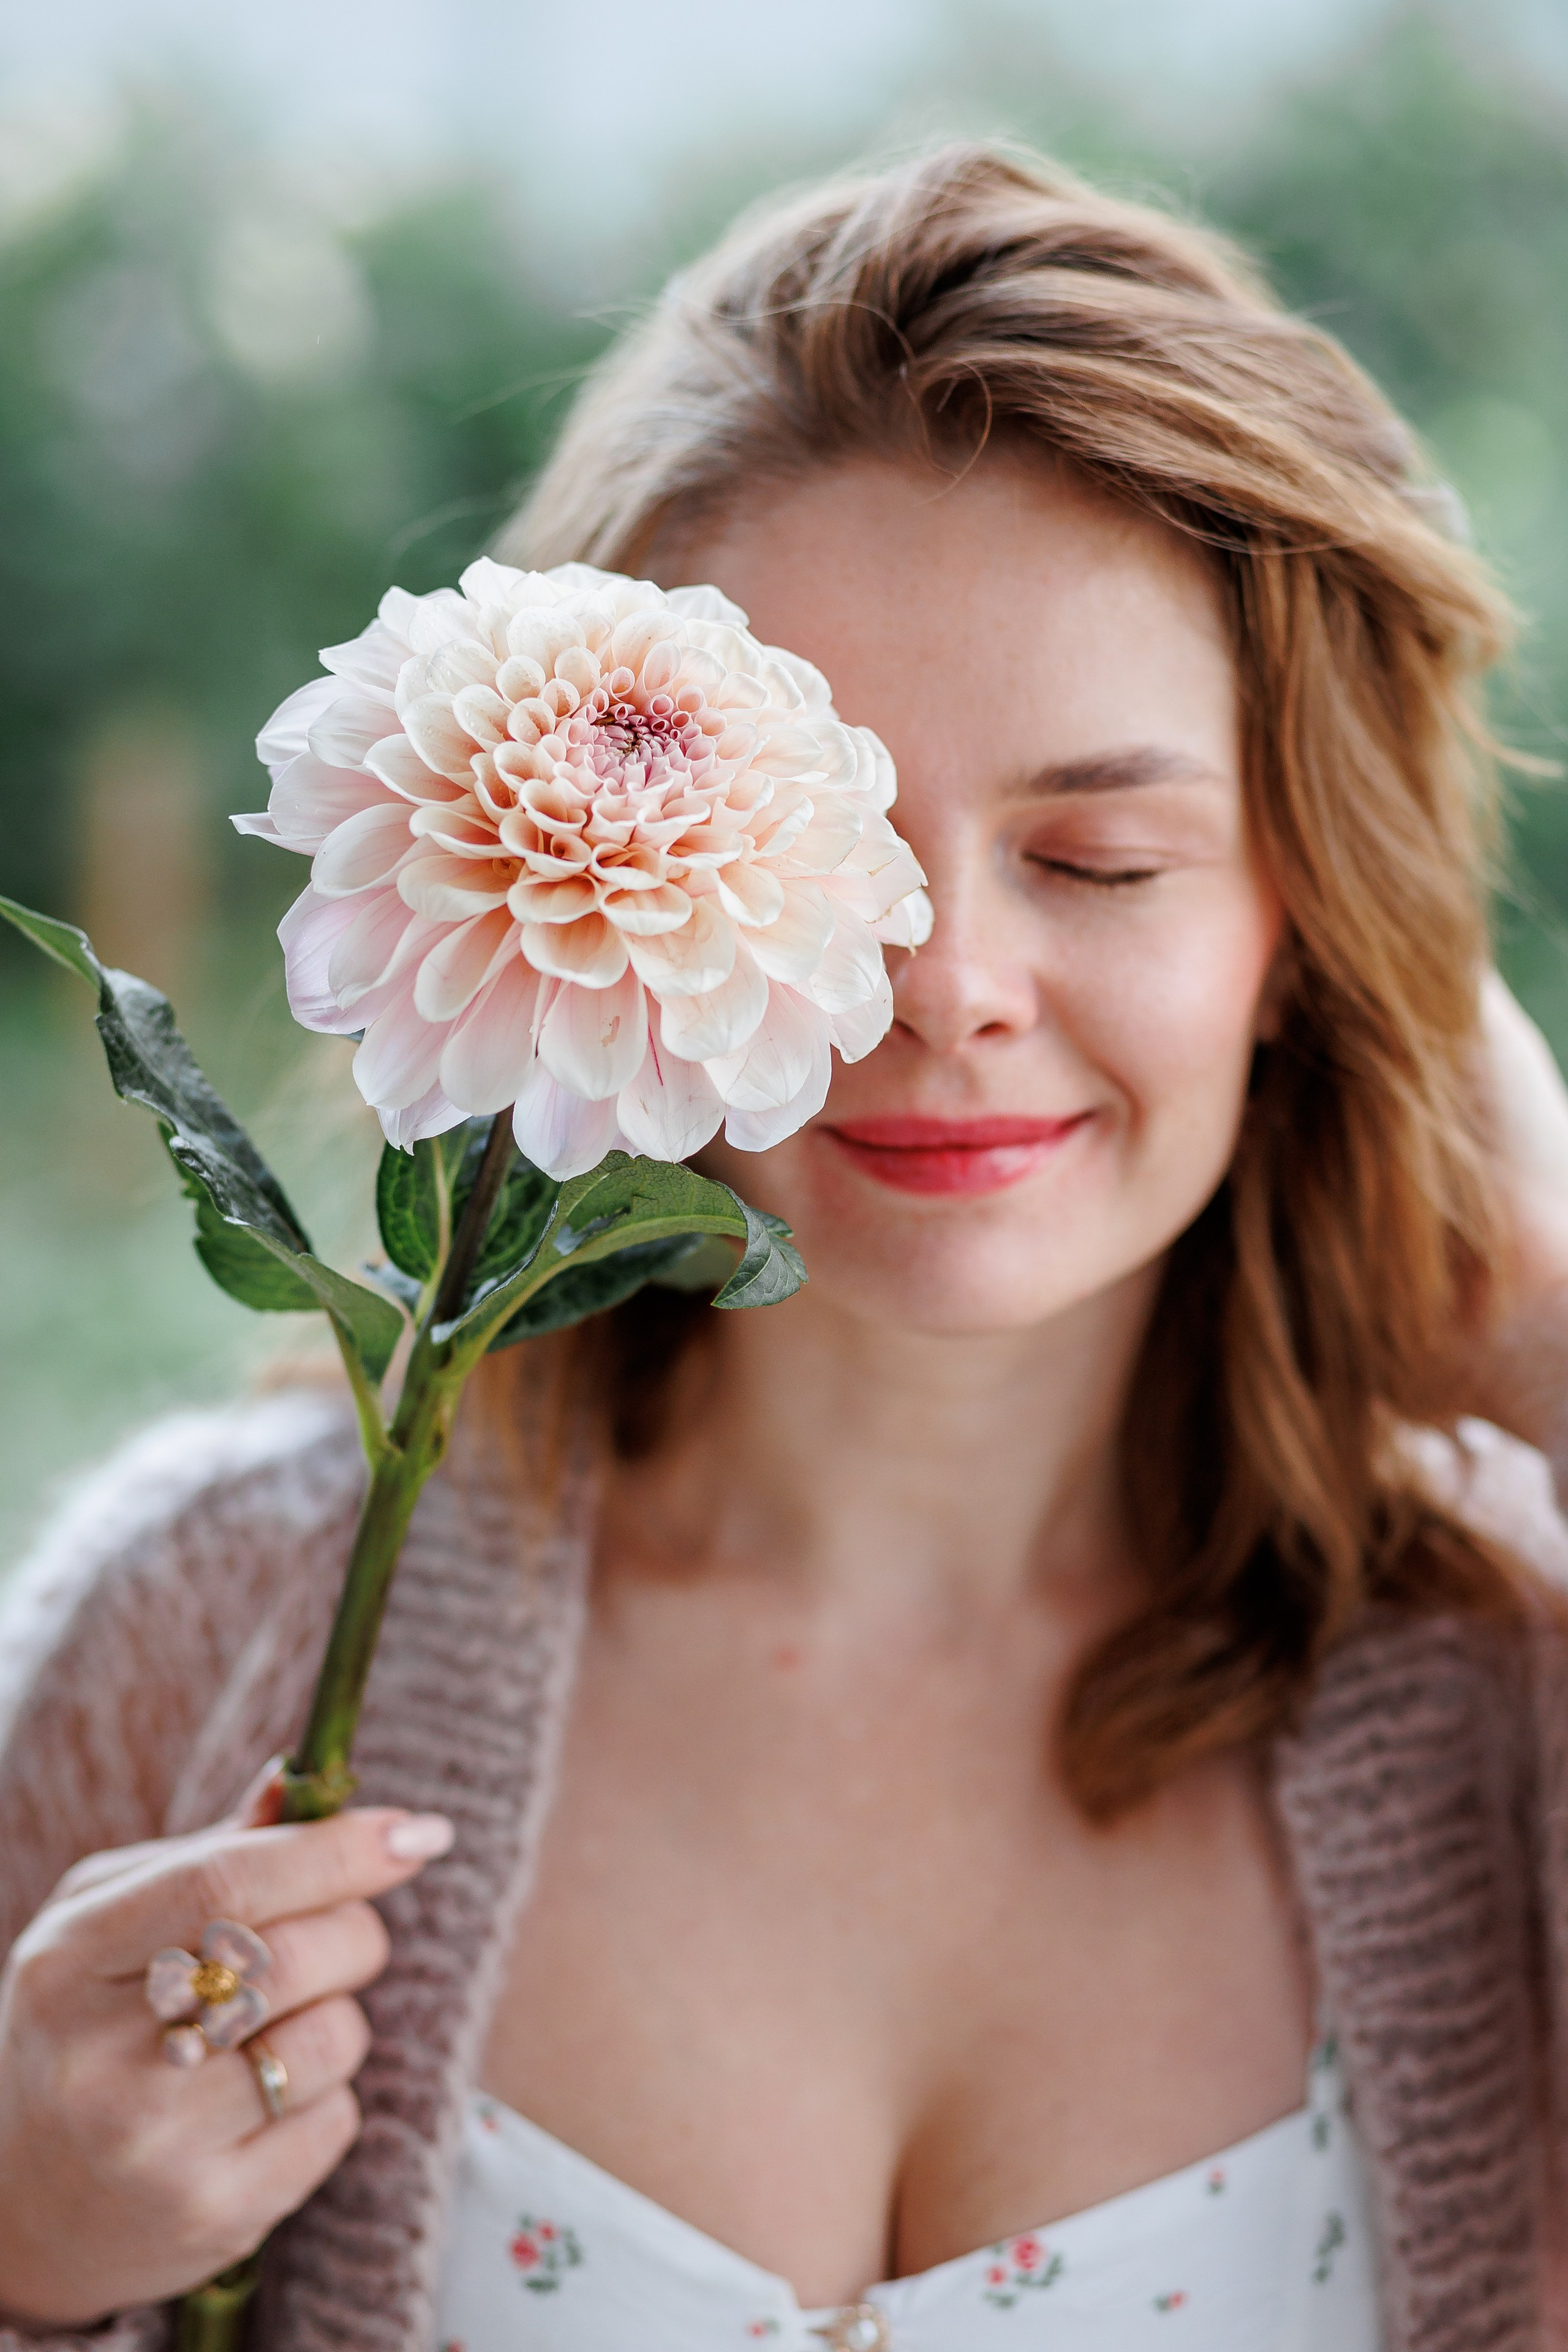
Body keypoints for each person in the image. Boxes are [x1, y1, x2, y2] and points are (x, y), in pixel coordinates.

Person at [2, 141, 1568, 2352]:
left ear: (1301, 919)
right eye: (833, 856)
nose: (949, 989)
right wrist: (32, 2254)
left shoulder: (1517, 1673)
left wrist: (1546, 1320)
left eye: (1104, 858)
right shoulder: (213, 1625)